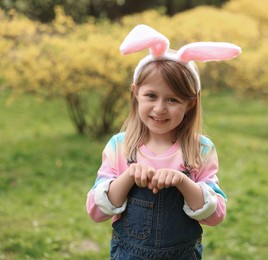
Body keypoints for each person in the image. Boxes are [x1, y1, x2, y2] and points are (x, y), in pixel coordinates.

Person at [86, 24, 241, 259]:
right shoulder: (120, 146)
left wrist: (182, 181)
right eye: (151, 96)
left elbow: (215, 215)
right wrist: (127, 177)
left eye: (173, 99)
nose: (159, 108)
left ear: (191, 103)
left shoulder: (200, 150)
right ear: (135, 93)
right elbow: (96, 212)